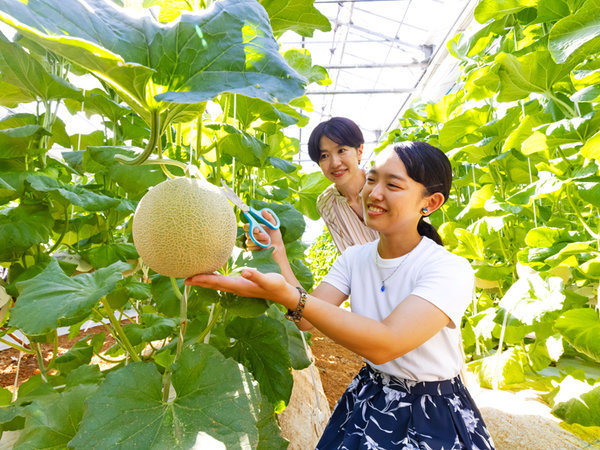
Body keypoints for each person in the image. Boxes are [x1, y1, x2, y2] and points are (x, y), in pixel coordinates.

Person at [187, 141, 495, 449]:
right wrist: (277, 252)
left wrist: (289, 297)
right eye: (372, 179)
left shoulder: (448, 269)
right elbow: (308, 319)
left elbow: (386, 344)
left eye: (393, 185)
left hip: (432, 411)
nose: (374, 193)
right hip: (371, 393)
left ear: (430, 202)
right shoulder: (355, 258)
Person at [309, 117, 378, 253]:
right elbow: (348, 257)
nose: (335, 163)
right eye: (324, 156)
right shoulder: (326, 203)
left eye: (341, 151)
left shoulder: (384, 183)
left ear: (359, 151)